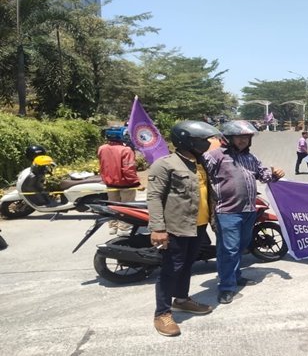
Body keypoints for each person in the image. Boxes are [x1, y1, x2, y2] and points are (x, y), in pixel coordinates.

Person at [148, 120, 222, 337]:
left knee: (187, 265)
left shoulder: (201, 163)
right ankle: (162, 313)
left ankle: (181, 300)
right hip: (175, 227)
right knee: (171, 269)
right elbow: (154, 197)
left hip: (198, 226)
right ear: (186, 141)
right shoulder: (165, 164)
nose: (207, 144)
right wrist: (158, 228)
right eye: (202, 140)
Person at [203, 120, 285, 304]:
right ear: (229, 138)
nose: (243, 141)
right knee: (229, 249)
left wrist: (276, 174)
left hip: (249, 210)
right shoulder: (215, 156)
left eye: (247, 137)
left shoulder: (251, 158)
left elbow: (265, 176)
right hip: (227, 212)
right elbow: (200, 175)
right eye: (239, 137)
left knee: (241, 247)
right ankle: (226, 287)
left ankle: (235, 275)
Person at [98, 128, 141, 235]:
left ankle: (112, 227)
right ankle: (124, 228)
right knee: (127, 206)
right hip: (126, 184)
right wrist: (136, 182)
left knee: (112, 205)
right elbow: (128, 169)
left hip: (110, 183)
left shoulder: (102, 148)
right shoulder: (126, 150)